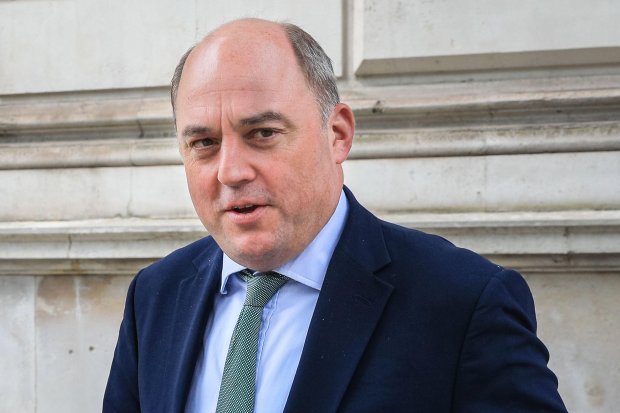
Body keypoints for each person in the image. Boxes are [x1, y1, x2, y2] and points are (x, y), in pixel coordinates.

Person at [104, 18, 567, 413]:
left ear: (338, 134)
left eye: (263, 132)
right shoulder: (156, 295)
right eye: (203, 143)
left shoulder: (462, 301)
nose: (231, 171)